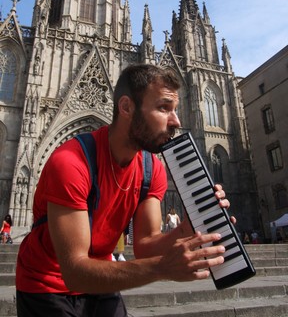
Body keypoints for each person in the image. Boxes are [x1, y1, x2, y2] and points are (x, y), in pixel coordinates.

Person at [16, 64, 233, 317]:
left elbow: (145, 245)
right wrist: (161, 268)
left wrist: (189, 226)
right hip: (46, 286)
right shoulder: (71, 162)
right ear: (127, 107)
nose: (176, 121)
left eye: (175, 109)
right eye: (164, 108)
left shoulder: (152, 169)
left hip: (101, 277)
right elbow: (74, 273)